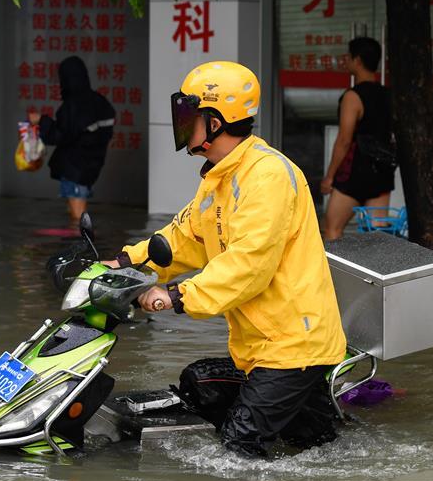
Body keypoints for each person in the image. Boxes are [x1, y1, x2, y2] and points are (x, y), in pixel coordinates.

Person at [105, 61, 347, 458]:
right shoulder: (219, 177)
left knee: (239, 447)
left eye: (188, 115)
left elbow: (248, 265)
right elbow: (183, 238)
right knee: (200, 386)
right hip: (262, 346)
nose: (181, 125)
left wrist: (175, 295)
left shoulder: (266, 176)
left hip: (292, 346)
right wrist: (124, 263)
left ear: (215, 122)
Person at [321, 37, 395, 240]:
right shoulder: (388, 95)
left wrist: (329, 177)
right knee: (376, 235)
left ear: (358, 60)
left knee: (333, 230)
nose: (346, 61)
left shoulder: (352, 97)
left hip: (354, 173)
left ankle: (334, 272)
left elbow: (344, 140)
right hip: (381, 172)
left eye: (348, 57)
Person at [30, 56, 115, 225]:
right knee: (77, 210)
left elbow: (60, 135)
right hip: (92, 166)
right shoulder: (99, 102)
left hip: (76, 169)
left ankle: (83, 246)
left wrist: (41, 120)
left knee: (78, 218)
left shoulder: (73, 106)